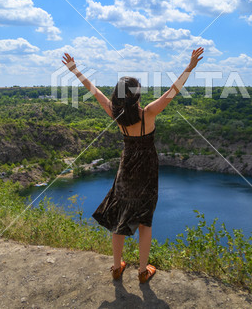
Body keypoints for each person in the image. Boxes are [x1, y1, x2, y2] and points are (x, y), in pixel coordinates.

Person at [61, 47, 204, 283]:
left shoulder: (114, 114)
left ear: (117, 96)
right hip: (147, 171)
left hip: (126, 169)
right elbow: (173, 91)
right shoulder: (148, 114)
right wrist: (189, 67)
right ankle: (142, 271)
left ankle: (117, 267)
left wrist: (75, 70)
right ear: (137, 96)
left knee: (119, 217)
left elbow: (93, 90)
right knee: (144, 221)